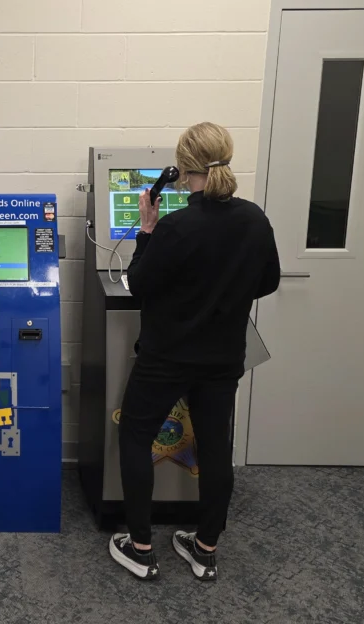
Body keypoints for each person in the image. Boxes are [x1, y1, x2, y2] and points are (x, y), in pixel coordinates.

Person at [108, 122, 280, 582]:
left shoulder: (177, 226)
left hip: (166, 358)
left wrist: (147, 230)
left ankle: (141, 547)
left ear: (183, 171)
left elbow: (140, 285)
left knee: (136, 436)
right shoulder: (254, 219)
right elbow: (268, 282)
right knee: (215, 446)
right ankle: (205, 548)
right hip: (223, 359)